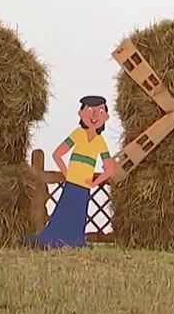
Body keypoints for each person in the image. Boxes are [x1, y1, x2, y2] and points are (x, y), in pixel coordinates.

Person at [31, 95, 117, 248]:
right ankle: (52, 239)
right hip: (72, 183)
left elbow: (109, 168)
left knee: (78, 214)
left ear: (106, 116)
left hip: (84, 185)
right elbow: (57, 154)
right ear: (81, 113)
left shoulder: (99, 142)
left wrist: (95, 182)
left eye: (100, 111)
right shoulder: (78, 134)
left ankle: (74, 240)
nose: (94, 115)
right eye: (90, 110)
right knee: (65, 210)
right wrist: (67, 173)